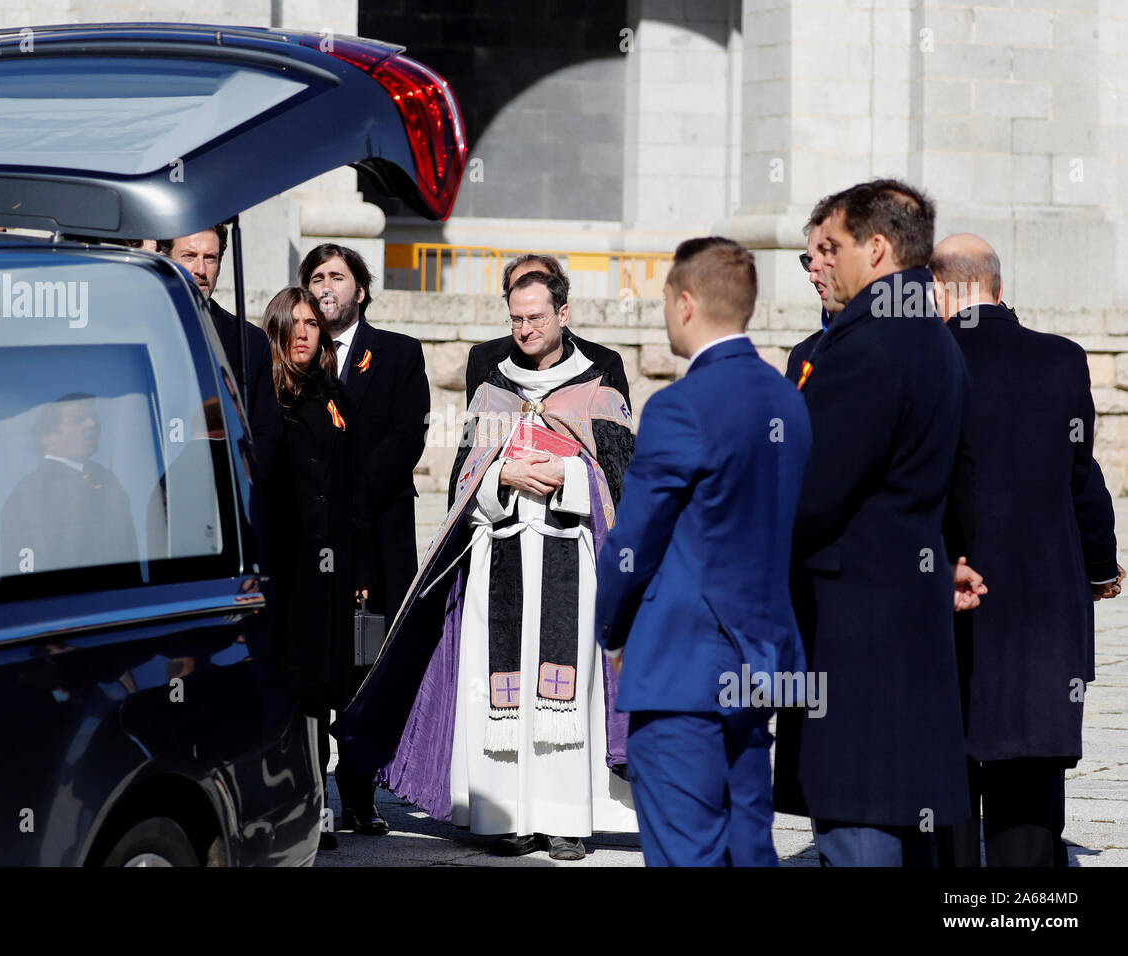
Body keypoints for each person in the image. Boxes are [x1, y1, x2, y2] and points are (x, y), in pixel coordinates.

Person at [333, 269, 637, 862]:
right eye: (516, 319)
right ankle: (503, 819)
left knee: (563, 694)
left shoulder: (598, 391)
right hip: (498, 557)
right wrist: (502, 475)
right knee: (500, 691)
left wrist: (569, 475)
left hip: (568, 558)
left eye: (536, 318)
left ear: (563, 314)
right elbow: (462, 484)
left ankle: (564, 819)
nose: (524, 329)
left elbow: (624, 483)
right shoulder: (491, 391)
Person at [773, 179, 978, 866]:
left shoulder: (866, 345)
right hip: (904, 624)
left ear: (878, 248)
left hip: (856, 642)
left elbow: (805, 495)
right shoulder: (930, 336)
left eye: (833, 247)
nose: (819, 263)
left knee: (858, 833)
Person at [595, 238, 811, 866]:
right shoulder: (788, 401)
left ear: (685, 303)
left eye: (665, 299)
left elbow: (632, 543)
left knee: (685, 852)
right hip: (758, 662)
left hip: (682, 669)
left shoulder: (680, 407)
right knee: (747, 845)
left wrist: (610, 627)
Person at [930, 234, 1123, 867]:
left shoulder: (928, 361)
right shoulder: (1062, 360)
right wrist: (1099, 564)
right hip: (1044, 597)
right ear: (998, 286)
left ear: (939, 291)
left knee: (951, 763)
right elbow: (1080, 476)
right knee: (1031, 769)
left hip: (955, 587)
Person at [298, 242, 429, 835]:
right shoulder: (293, 355)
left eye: (337, 277)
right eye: (316, 277)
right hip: (311, 550)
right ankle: (309, 793)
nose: (326, 286)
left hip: (371, 549)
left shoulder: (398, 355)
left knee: (361, 659)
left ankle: (357, 790)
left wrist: (346, 494)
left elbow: (406, 442)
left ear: (361, 289)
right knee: (312, 662)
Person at [260, 286, 370, 853]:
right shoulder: (264, 398)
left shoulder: (336, 396)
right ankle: (282, 811)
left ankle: (320, 807)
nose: (303, 333)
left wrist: (359, 568)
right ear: (276, 331)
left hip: (332, 572)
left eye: (311, 323)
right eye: (292, 324)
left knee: (326, 694)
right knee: (286, 694)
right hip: (283, 570)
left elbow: (353, 488)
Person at [159, 226, 282, 478]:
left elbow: (267, 436)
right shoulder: (138, 329)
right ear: (165, 258)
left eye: (210, 258)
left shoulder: (250, 341)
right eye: (189, 256)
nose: (200, 270)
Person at [0, 394, 139, 578]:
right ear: (48, 436)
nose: (92, 424)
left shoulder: (102, 477)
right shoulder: (34, 490)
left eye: (94, 418)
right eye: (78, 420)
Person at [464, 254, 630, 406]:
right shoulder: (484, 358)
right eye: (520, 285)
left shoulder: (603, 361)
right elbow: (476, 430)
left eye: (538, 282)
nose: (528, 292)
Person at [785, 220, 840, 385]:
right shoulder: (802, 354)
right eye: (810, 260)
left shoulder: (890, 345)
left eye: (826, 253)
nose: (813, 276)